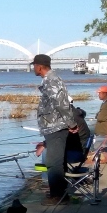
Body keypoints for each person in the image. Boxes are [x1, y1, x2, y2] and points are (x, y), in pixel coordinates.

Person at [32, 54, 78, 204]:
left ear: (39, 66)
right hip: (52, 127)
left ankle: (58, 196)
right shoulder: (49, 80)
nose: (33, 68)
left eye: (34, 65)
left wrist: (71, 123)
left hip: (56, 128)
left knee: (54, 161)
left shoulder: (52, 80)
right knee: (56, 160)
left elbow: (61, 103)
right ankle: (59, 193)